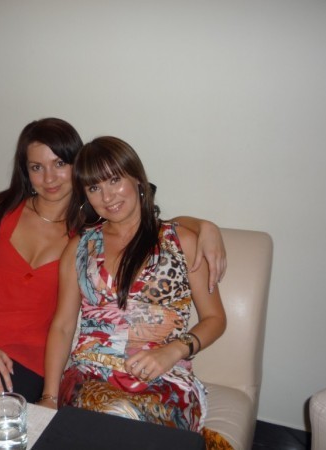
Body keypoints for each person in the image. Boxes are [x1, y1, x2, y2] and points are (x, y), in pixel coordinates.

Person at [0, 120, 227, 403]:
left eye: (59, 164)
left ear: (76, 168)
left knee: (1, 417)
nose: (49, 178)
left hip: (27, 357)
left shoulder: (86, 231)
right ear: (26, 172)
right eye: (37, 167)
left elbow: (146, 225)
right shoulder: (3, 211)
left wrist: (204, 227)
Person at [39, 136, 228, 446]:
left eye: (115, 180)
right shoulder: (79, 247)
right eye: (94, 187)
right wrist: (48, 397)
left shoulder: (180, 240)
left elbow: (215, 319)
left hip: (163, 375)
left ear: (137, 178)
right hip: (90, 374)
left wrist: (173, 351)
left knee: (127, 422)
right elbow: (62, 326)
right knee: (104, 415)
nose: (107, 196)